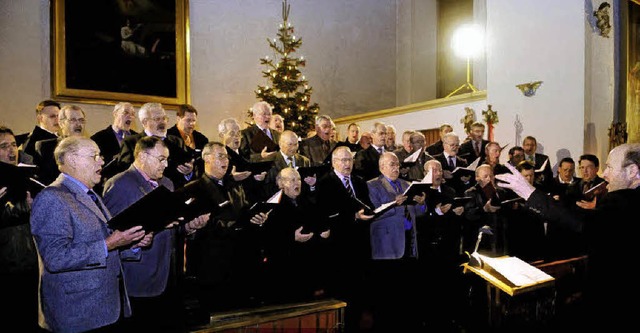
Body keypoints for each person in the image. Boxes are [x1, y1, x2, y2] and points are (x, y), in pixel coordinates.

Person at [495, 143, 640, 330]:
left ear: (632, 171)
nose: (605, 174)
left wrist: (530, 193)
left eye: (610, 167)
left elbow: (581, 222)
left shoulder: (625, 200)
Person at [30, 136, 150, 332]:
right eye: (94, 156)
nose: (102, 161)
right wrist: (109, 244)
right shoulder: (52, 198)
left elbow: (105, 243)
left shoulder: (91, 195)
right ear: (71, 160)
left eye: (100, 156)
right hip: (78, 313)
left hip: (106, 308)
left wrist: (132, 243)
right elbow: (55, 258)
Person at [103, 136, 209, 332]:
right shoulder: (120, 184)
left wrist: (189, 227)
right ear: (142, 156)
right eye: (161, 159)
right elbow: (110, 232)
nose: (166, 164)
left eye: (167, 159)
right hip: (139, 276)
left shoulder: (167, 183)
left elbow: (171, 225)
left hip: (168, 275)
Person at [182, 142, 269, 311]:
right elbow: (200, 225)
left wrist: (257, 217)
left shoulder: (236, 186)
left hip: (239, 263)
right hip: (211, 266)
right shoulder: (194, 188)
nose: (226, 160)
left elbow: (245, 211)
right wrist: (233, 225)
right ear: (206, 158)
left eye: (227, 156)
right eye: (220, 156)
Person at [316, 146, 374, 331]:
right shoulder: (325, 182)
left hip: (360, 244)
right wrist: (353, 217)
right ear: (334, 162)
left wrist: (373, 212)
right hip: (339, 248)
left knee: (359, 295)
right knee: (341, 295)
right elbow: (326, 214)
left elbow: (367, 205)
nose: (347, 164)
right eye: (343, 160)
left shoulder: (359, 181)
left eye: (349, 160)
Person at [366, 152, 426, 331]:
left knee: (406, 295)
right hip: (386, 247)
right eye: (392, 164)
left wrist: (422, 204)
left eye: (397, 165)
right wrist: (394, 204)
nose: (396, 168)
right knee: (387, 296)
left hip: (408, 244)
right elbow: (372, 214)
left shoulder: (407, 185)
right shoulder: (372, 185)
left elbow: (419, 213)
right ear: (381, 167)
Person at [0, 127, 39, 331]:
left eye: (14, 145)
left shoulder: (24, 174)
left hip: (29, 258)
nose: (11, 150)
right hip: (6, 263)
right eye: (4, 146)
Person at [108, 102, 194, 188]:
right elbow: (127, 173)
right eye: (157, 119)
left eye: (164, 118)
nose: (162, 123)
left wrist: (188, 173)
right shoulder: (131, 142)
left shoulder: (176, 141)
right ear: (145, 122)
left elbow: (185, 177)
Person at [34, 104, 87, 185]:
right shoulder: (46, 147)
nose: (78, 124)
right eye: (73, 120)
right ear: (61, 123)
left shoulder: (90, 148)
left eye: (81, 120)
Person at [264, 130, 314, 197]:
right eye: (290, 144)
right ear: (280, 144)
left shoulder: (305, 161)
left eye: (296, 144)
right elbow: (267, 187)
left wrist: (312, 185)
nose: (294, 148)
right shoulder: (269, 161)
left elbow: (307, 186)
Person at [167, 103, 210, 179]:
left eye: (194, 120)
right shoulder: (168, 137)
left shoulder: (202, 139)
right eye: (188, 120)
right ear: (178, 119)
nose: (191, 124)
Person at [90, 102, 138, 168]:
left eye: (132, 114)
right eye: (126, 112)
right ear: (115, 114)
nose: (130, 116)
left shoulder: (138, 138)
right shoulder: (98, 138)